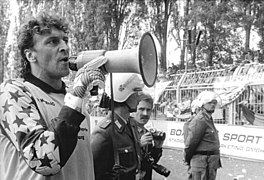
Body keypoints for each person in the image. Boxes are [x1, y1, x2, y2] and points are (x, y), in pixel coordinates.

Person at [0, 12, 107, 180]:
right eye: (52, 41)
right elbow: (44, 159)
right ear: (30, 55)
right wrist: (77, 92)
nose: (64, 47)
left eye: (65, 40)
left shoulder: (73, 102)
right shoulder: (14, 90)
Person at [91, 73, 146, 180]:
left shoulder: (130, 125)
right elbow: (94, 174)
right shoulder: (103, 133)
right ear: (123, 94)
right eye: (136, 93)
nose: (139, 98)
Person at [184, 91, 222, 180]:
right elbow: (191, 142)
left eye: (214, 103)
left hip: (209, 162)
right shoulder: (200, 120)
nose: (213, 105)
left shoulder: (208, 118)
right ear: (202, 104)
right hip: (201, 162)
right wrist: (188, 158)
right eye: (209, 102)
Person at [132, 92, 167, 180]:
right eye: (141, 109)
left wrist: (157, 147)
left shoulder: (146, 133)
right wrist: (138, 145)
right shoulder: (125, 130)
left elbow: (150, 162)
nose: (145, 113)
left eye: (148, 110)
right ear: (133, 109)